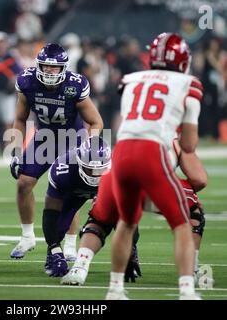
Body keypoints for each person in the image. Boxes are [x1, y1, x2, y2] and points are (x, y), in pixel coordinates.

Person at [105, 32, 202, 300]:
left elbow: (125, 121)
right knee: (182, 223)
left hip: (122, 152)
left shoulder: (130, 79)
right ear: (183, 60)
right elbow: (190, 144)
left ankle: (115, 289)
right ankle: (186, 291)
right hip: (151, 152)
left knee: (126, 221)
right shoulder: (188, 84)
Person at [61, 138, 207, 286]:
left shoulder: (130, 125)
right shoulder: (174, 135)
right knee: (193, 214)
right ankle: (191, 271)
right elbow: (199, 180)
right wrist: (186, 195)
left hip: (118, 176)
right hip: (153, 181)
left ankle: (80, 267)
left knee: (99, 220)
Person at [9, 43, 103, 259]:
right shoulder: (27, 81)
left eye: (55, 68)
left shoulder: (75, 84)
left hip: (72, 139)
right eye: (45, 67)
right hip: (44, 138)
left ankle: (70, 244)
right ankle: (27, 236)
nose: (50, 72)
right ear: (38, 65)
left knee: (71, 190)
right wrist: (16, 151)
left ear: (64, 68)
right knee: (23, 183)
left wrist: (89, 147)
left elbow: (96, 121)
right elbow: (20, 119)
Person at [42, 136, 112, 277]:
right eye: (90, 169)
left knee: (119, 216)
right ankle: (54, 254)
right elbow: (50, 213)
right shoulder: (63, 168)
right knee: (59, 224)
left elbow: (128, 214)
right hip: (75, 190)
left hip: (106, 188)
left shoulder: (118, 169)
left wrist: (131, 247)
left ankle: (132, 252)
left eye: (99, 170)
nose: (94, 175)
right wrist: (54, 248)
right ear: (79, 162)